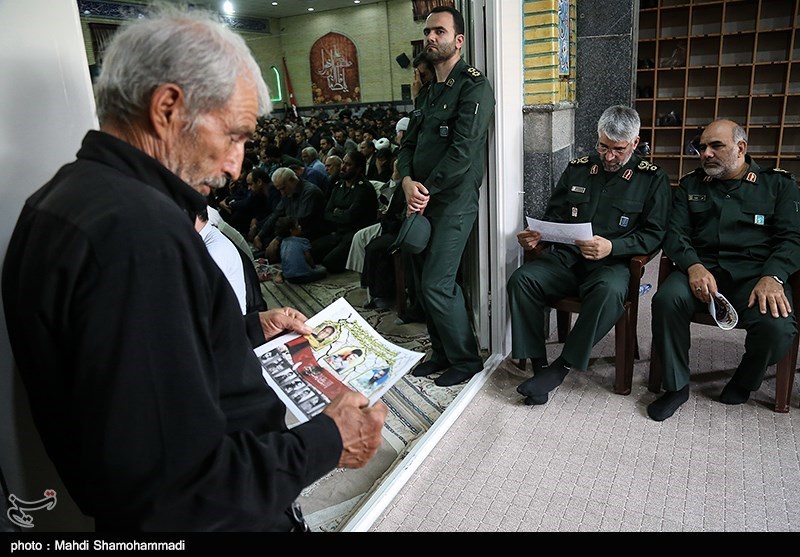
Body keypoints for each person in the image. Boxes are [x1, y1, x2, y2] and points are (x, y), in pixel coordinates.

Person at [1, 6, 387, 532]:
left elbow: (133, 374)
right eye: (234, 135)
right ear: (167, 108)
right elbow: (180, 488)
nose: (234, 165)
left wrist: (243, 329)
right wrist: (326, 440)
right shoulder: (140, 233)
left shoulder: (56, 201)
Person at [510, 105, 671, 405]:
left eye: (618, 150)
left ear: (635, 143)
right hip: (567, 260)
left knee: (609, 292)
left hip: (612, 265)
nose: (609, 157)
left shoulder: (652, 179)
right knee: (523, 279)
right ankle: (539, 364)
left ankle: (561, 367)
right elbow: (554, 215)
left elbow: (655, 234)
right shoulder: (579, 168)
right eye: (603, 146)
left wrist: (614, 247)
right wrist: (535, 236)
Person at [647, 119, 800, 421]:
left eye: (716, 146)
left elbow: (792, 238)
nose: (706, 153)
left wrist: (774, 276)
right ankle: (676, 386)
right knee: (666, 300)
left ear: (741, 147)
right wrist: (692, 266)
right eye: (702, 147)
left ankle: (745, 380)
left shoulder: (778, 185)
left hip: (755, 276)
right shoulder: (692, 184)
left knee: (778, 327)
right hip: (702, 271)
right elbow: (674, 234)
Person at [398, 6, 496, 387]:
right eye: (427, 32)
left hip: (452, 201)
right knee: (424, 281)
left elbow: (463, 151)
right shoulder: (428, 91)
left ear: (458, 40)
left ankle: (465, 359)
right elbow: (407, 144)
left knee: (438, 283)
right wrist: (406, 181)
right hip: (419, 200)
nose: (430, 38)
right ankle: (440, 352)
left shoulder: (473, 86)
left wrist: (425, 190)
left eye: (438, 31)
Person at [312, 150, 379, 273]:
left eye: (348, 165)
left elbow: (350, 217)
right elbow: (327, 213)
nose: (343, 167)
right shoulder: (338, 185)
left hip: (354, 235)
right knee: (312, 251)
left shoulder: (364, 189)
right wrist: (341, 213)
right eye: (343, 163)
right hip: (338, 232)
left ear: (358, 169)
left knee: (329, 263)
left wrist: (337, 212)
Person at [272, 216, 327, 285]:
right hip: (303, 277)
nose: (300, 226)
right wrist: (313, 267)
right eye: (297, 226)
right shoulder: (302, 241)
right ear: (291, 230)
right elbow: (308, 257)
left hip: (289, 278)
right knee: (323, 270)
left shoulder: (283, 242)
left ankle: (281, 274)